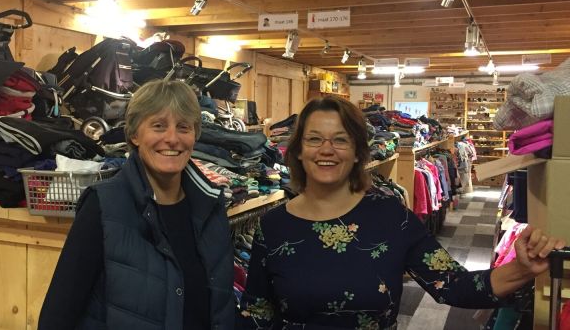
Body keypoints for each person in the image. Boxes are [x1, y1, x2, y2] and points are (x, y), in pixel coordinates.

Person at [237, 96, 565, 329]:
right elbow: (257, 314)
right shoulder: (274, 226)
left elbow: (453, 284)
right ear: (297, 151)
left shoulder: (391, 217)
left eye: (340, 139)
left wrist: (522, 269)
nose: (326, 149)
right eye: (314, 139)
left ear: (357, 152)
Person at [39, 79, 234, 329]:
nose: (172, 138)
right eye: (158, 126)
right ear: (134, 134)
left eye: (183, 127)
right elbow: (58, 314)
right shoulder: (103, 205)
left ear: (195, 135)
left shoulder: (211, 208)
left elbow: (221, 308)